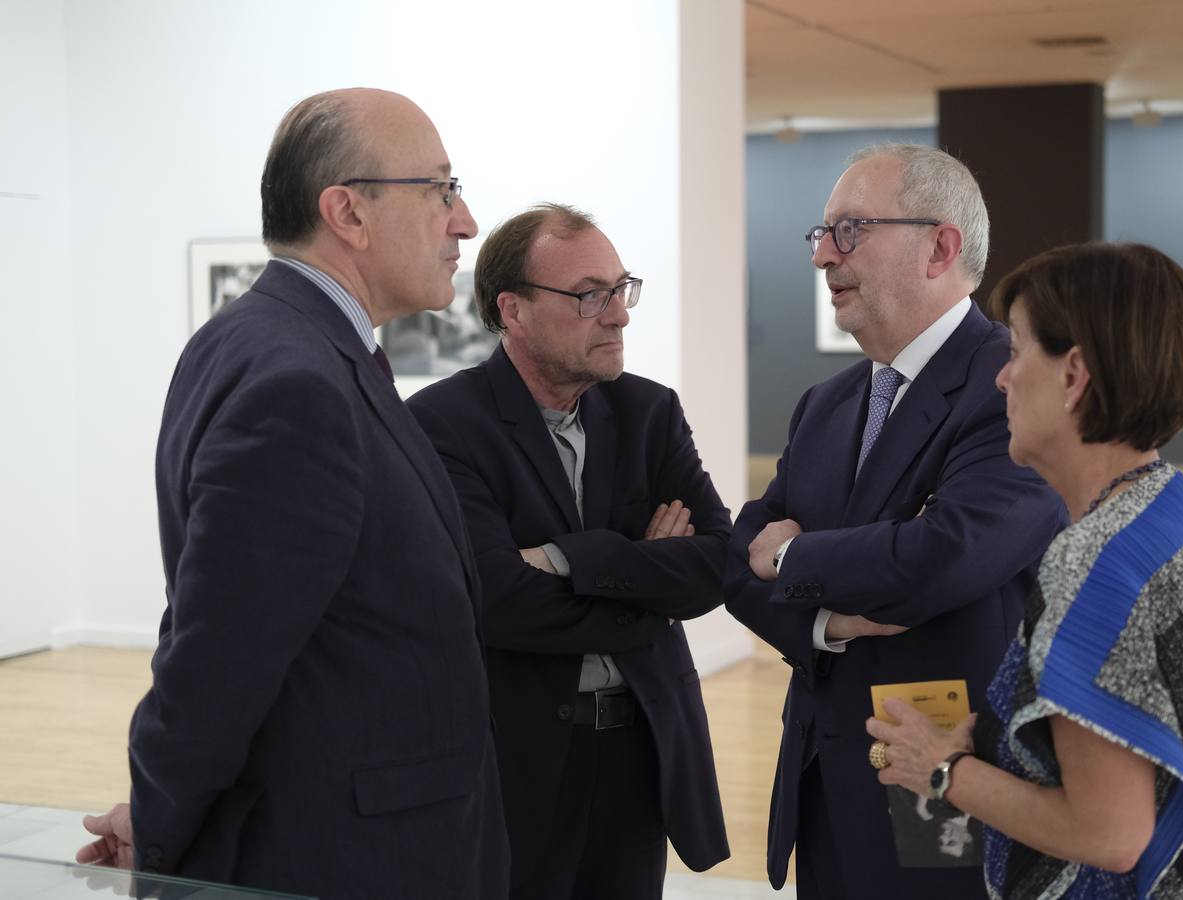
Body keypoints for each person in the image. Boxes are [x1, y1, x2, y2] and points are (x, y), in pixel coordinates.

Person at [75, 88, 510, 898]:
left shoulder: (277, 345)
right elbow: (216, 661)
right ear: (348, 212)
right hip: (343, 861)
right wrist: (163, 833)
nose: (466, 221)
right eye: (442, 190)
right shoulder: (296, 380)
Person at [866, 241, 1183, 898]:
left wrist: (941, 770)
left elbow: (1107, 833)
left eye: (1015, 351)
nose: (1002, 377)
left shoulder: (1093, 561)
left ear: (1073, 376)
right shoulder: (1181, 512)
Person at [724, 143, 1065, 900]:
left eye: (849, 231)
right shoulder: (827, 404)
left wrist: (793, 560)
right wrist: (830, 626)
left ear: (941, 246)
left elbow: (944, 555)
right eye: (820, 235)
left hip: (942, 772)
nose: (823, 257)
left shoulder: (1010, 387)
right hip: (821, 775)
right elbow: (733, 557)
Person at [406, 203, 731, 899]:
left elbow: (713, 567)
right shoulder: (441, 425)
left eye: (621, 289)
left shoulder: (650, 413)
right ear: (513, 311)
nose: (617, 315)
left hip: (641, 753)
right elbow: (496, 600)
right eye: (589, 295)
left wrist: (567, 557)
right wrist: (646, 582)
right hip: (512, 760)